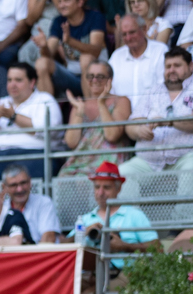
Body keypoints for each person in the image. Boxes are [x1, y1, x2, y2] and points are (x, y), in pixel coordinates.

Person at [62, 161, 159, 271]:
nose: (100, 193)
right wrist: (84, 232)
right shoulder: (85, 220)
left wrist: (124, 246)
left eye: (106, 188)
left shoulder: (134, 215)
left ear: (119, 189)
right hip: (90, 275)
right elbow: (62, 248)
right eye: (97, 187)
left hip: (125, 274)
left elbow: (157, 248)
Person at [121, 48, 193, 179]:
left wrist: (168, 121)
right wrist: (138, 130)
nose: (171, 70)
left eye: (177, 66)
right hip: (148, 162)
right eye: (168, 66)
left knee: (191, 170)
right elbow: (130, 125)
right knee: (122, 173)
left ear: (190, 66)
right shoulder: (153, 91)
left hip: (185, 158)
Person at [58, 63, 131, 178]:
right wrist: (80, 110)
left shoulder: (121, 101)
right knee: (64, 177)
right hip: (81, 162)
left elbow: (112, 135)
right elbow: (71, 142)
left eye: (100, 76)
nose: (95, 80)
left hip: (110, 160)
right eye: (90, 76)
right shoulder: (80, 105)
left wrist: (101, 103)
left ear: (110, 80)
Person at [33, 0, 106, 98]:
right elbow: (48, 55)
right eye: (59, 2)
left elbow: (96, 51)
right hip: (72, 77)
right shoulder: (59, 21)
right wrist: (44, 46)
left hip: (97, 77)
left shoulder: (95, 17)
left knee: (86, 58)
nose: (61, 5)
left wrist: (70, 41)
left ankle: (90, 107)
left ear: (80, 2)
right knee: (42, 63)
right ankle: (46, 109)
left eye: (66, 1)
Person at [108, 14, 167, 109]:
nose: (128, 38)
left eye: (132, 32)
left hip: (153, 116)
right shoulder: (116, 56)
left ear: (144, 29)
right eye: (124, 34)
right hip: (122, 117)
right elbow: (109, 91)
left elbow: (165, 88)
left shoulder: (160, 51)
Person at [2, 163, 61, 243]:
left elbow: (48, 239)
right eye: (14, 185)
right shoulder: (1, 208)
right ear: (4, 188)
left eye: (23, 183)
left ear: (30, 182)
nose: (19, 189)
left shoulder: (43, 202)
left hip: (39, 253)